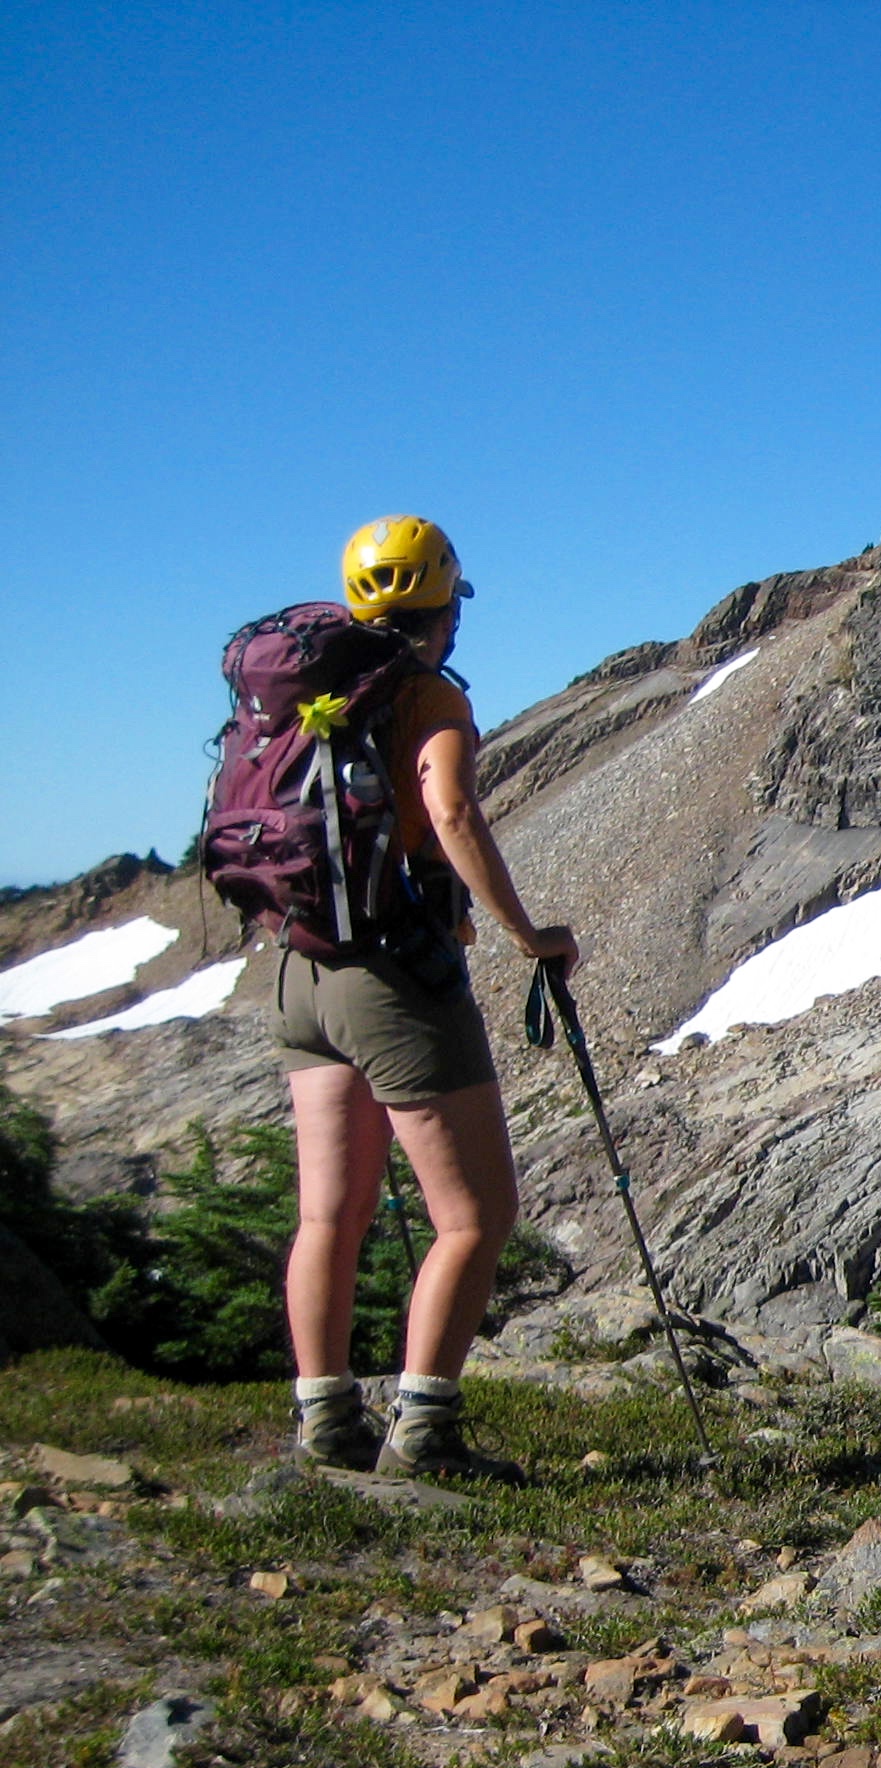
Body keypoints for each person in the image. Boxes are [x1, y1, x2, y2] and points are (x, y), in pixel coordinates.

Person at [273, 516, 577, 1478]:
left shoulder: (306, 692)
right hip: (395, 979)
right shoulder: (428, 695)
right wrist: (531, 937)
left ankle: (326, 1423)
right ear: (444, 605)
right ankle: (426, 1434)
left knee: (331, 1214)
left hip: (300, 972)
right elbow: (450, 810)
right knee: (476, 1216)